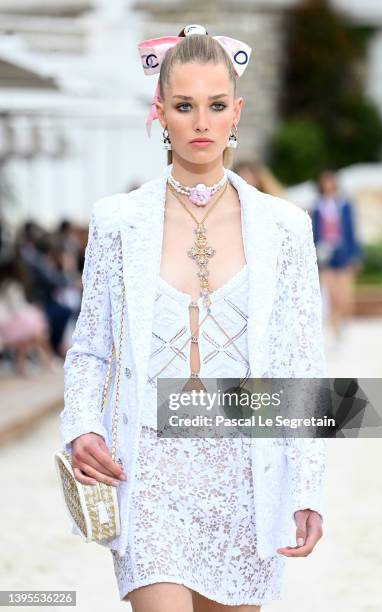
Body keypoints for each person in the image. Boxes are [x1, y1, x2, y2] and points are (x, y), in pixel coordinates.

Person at [59, 24, 328, 611]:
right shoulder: (117, 222)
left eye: (215, 106)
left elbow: (301, 365)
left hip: (245, 473)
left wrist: (307, 487)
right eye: (184, 106)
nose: (201, 123)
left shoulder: (284, 228)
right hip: (148, 469)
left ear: (237, 111)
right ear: (160, 113)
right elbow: (91, 348)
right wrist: (83, 427)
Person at [311, 169, 362, 342]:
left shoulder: (345, 205)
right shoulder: (318, 207)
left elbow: (352, 231)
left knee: (345, 294)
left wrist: (355, 255)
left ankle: (344, 322)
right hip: (325, 253)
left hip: (344, 253)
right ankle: (335, 329)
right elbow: (316, 233)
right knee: (330, 294)